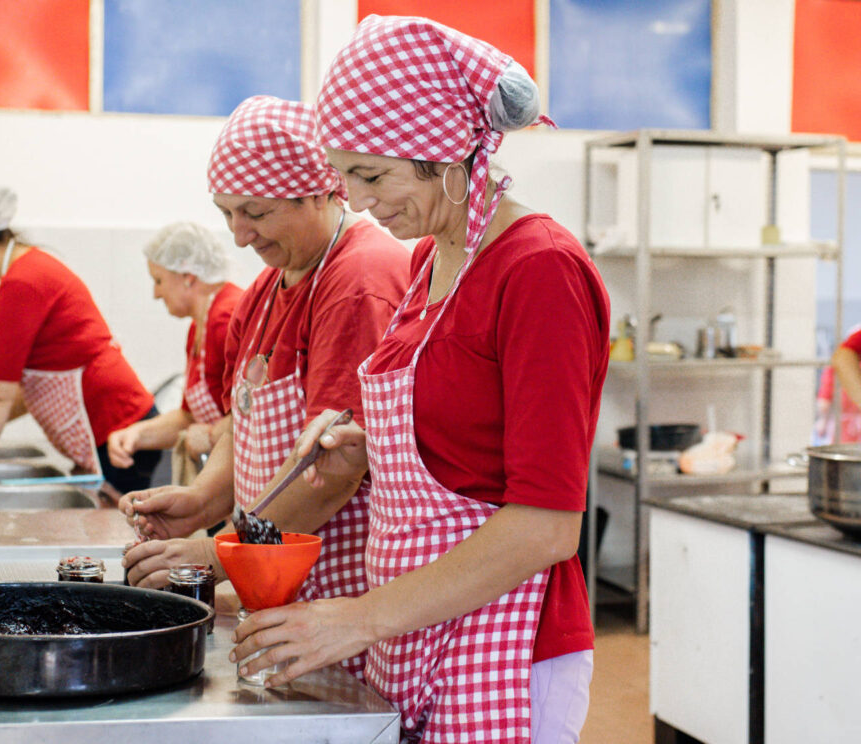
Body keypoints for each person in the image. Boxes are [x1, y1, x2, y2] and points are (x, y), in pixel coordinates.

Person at [228, 17, 610, 744]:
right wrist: (365, 448)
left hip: (507, 638)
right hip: (414, 628)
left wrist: (357, 617)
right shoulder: (424, 267)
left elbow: (547, 526)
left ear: (442, 150)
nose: (363, 202)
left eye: (373, 176)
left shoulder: (539, 270)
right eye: (348, 179)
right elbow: (460, 444)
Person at [120, 95, 411, 680]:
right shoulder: (265, 290)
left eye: (255, 211)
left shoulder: (358, 278)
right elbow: (241, 422)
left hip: (339, 594)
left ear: (320, 190)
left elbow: (335, 471)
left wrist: (214, 552)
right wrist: (203, 499)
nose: (238, 233)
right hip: (276, 585)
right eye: (227, 212)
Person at [0, 188, 161, 495]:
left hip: (118, 434)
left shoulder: (22, 281)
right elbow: (40, 387)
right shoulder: (30, 269)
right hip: (116, 429)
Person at [106, 222, 243, 481]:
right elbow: (188, 418)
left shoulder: (226, 318)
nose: (156, 293)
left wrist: (212, 435)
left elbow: (250, 414)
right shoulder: (199, 325)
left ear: (188, 276)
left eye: (158, 281)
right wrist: (136, 434)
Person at [816, 324, 861, 443]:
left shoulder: (834, 368)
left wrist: (822, 421)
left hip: (842, 428)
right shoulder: (845, 360)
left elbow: (824, 403)